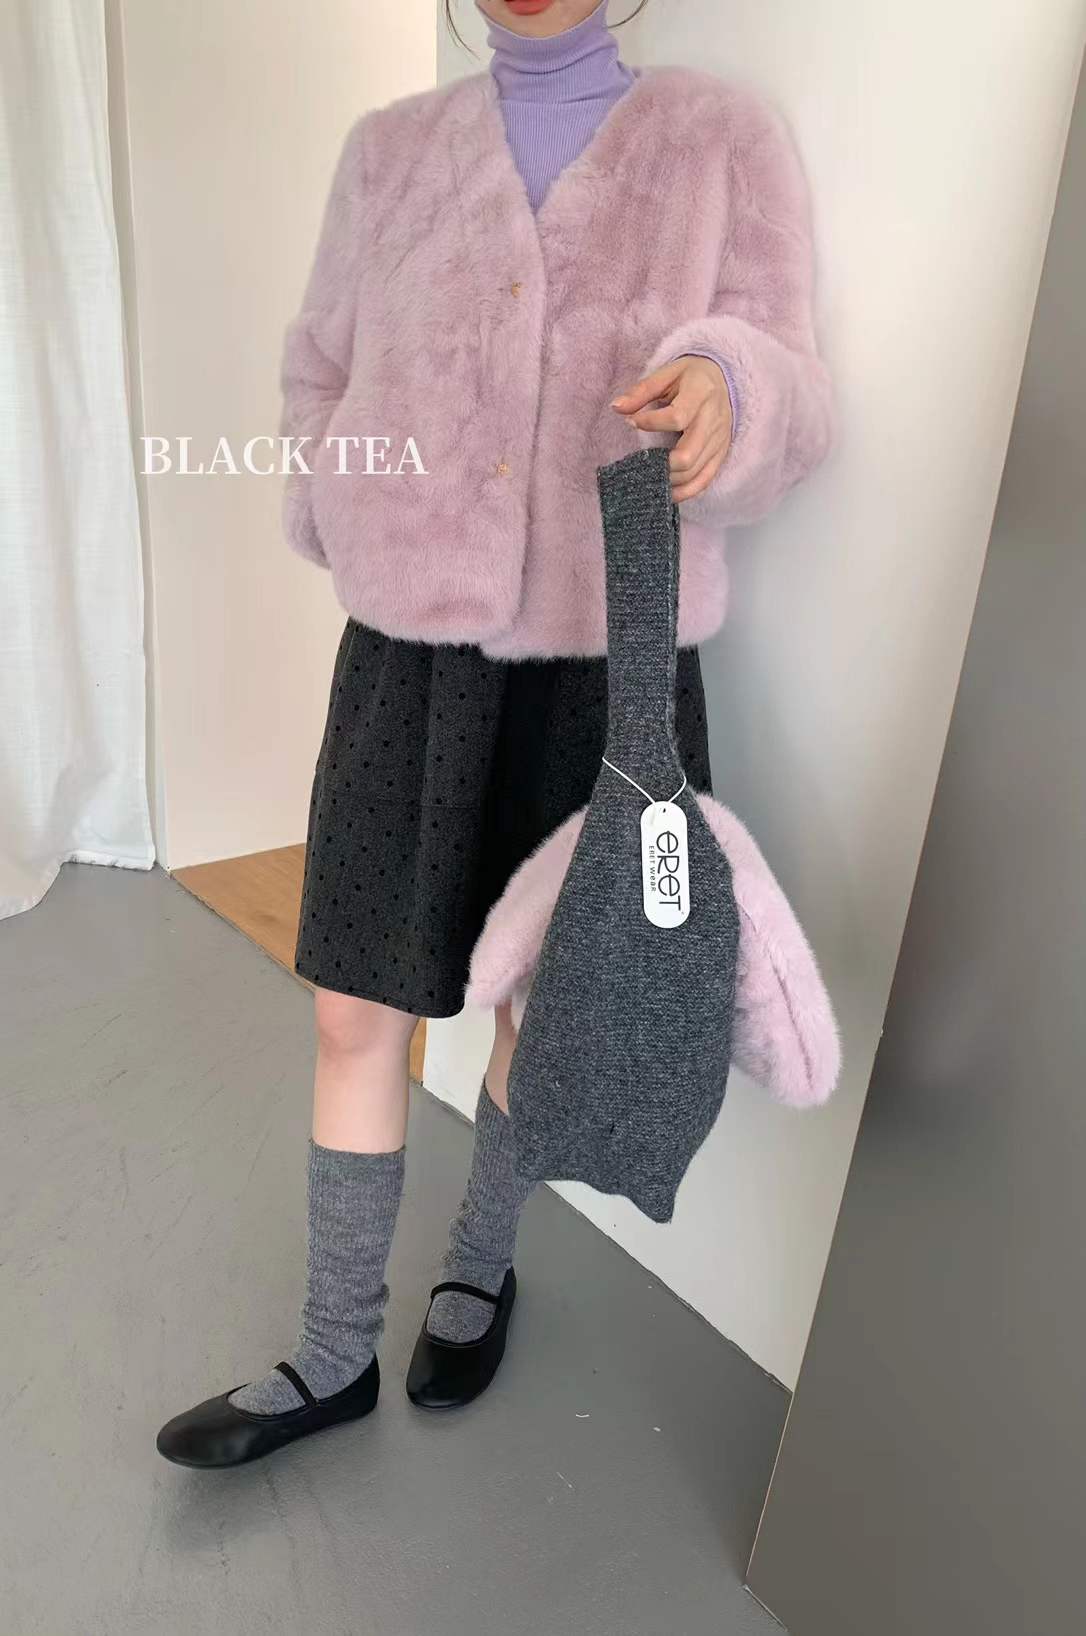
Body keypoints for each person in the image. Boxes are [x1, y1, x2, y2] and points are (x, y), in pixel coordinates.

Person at [156, 0, 832, 1468]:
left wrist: (734, 387)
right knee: (356, 1010)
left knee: (542, 1004)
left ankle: (477, 1266)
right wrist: (339, 497)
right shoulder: (388, 152)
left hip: (606, 672)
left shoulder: (716, 140)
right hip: (410, 666)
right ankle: (333, 1350)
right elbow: (317, 370)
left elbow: (795, 387)